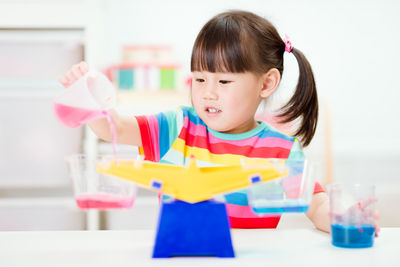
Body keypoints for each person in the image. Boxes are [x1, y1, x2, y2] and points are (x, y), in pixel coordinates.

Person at [59, 10, 359, 234]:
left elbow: (316, 203)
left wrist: (343, 217)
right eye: (200, 79)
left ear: (266, 84)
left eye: (224, 81)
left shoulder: (280, 149)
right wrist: (92, 98)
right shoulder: (177, 127)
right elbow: (116, 128)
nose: (208, 93)